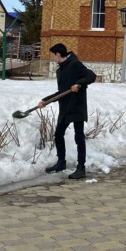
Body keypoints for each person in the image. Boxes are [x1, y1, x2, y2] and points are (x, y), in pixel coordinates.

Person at [39, 43, 97, 180]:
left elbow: (91, 76)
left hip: (76, 106)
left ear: (58, 54)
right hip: (65, 107)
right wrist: (45, 101)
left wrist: (79, 84)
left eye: (53, 55)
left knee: (79, 137)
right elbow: (62, 92)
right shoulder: (60, 71)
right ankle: (61, 162)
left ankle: (81, 167)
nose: (53, 58)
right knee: (58, 134)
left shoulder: (75, 64)